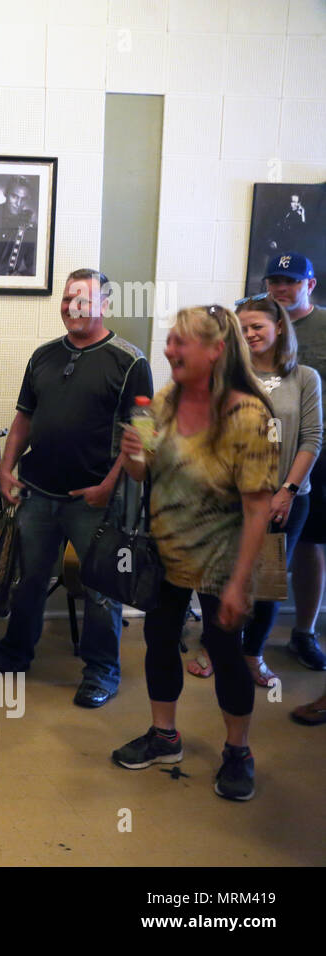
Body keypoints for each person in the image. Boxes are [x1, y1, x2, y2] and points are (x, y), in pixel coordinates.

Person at [114, 305, 278, 802]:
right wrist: (134, 454)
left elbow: (258, 509)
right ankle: (165, 737)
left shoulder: (249, 416)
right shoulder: (163, 400)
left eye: (181, 343)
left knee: (226, 652)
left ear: (216, 351)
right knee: (160, 639)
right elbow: (143, 474)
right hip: (167, 552)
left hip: (225, 559)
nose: (169, 350)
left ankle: (238, 752)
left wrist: (238, 583)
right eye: (169, 340)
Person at [0, 269, 153, 708]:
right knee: (28, 581)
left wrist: (108, 485)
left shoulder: (131, 361)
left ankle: (102, 672)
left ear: (105, 305)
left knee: (101, 592)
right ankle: (15, 654)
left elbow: (143, 435)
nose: (72, 307)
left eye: (82, 299)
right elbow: (24, 417)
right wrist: (7, 470)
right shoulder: (42, 356)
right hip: (37, 493)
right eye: (66, 299)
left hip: (94, 500)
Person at [234, 296, 321, 687]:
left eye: (257, 326)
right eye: (243, 327)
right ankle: (218, 648)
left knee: (267, 582)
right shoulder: (230, 376)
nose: (250, 334)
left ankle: (252, 654)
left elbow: (312, 438)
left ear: (279, 327)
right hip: (232, 499)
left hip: (284, 500)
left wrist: (287, 490)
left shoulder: (304, 378)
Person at [264, 254, 326, 671]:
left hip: (316, 452)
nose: (282, 288)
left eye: (291, 280)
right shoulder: (258, 323)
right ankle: (247, 643)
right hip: (263, 455)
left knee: (310, 544)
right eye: (275, 281)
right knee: (262, 547)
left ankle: (303, 632)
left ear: (310, 283)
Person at [0, 177, 38, 277]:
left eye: (23, 199)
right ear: (6, 193)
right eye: (14, 196)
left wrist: (21, 275)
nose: (18, 203)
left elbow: (35, 265)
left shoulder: (30, 228)